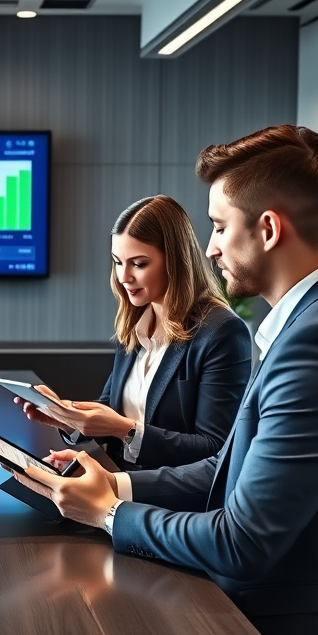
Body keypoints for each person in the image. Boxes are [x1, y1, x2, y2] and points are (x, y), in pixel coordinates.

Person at [16, 125, 318, 635]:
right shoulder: (313, 323)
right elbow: (222, 473)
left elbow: (241, 543)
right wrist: (114, 488)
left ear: (270, 230)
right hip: (265, 608)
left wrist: (108, 519)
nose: (210, 248)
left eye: (220, 226)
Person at [16, 195, 251, 470]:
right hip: (120, 487)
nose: (123, 277)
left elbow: (215, 450)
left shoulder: (221, 332)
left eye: (138, 264)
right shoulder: (134, 323)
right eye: (117, 261)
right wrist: (67, 416)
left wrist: (126, 430)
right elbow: (111, 409)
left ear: (175, 261)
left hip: (171, 506)